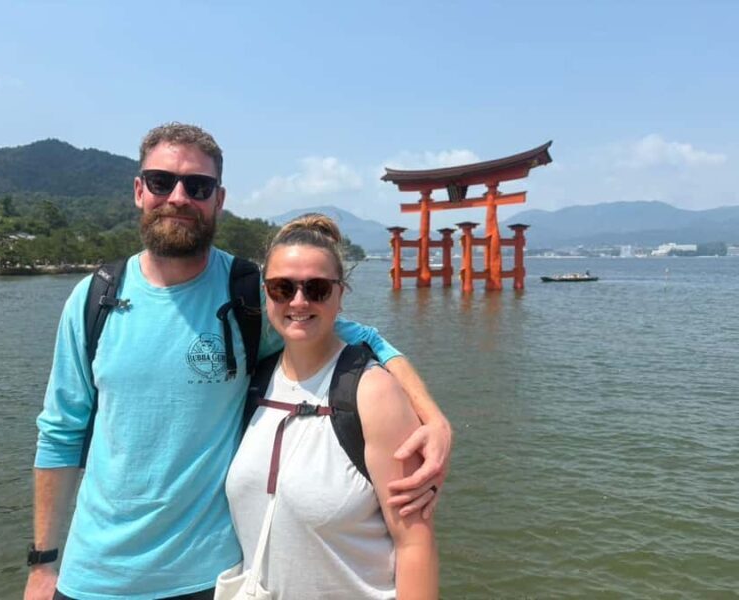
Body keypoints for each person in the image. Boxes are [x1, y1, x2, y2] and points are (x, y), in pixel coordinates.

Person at [26, 123, 451, 600]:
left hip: (212, 578)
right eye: (163, 181)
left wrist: (434, 419)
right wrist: (43, 564)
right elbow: (60, 434)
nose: (180, 197)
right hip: (92, 574)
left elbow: (365, 340)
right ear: (139, 190)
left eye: (198, 186)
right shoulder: (95, 299)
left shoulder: (253, 295)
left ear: (218, 198)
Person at [225, 214, 438, 599]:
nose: (299, 301)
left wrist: (436, 419)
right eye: (282, 288)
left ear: (341, 294)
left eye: (318, 289)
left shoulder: (374, 392)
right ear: (265, 293)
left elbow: (414, 543)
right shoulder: (254, 380)